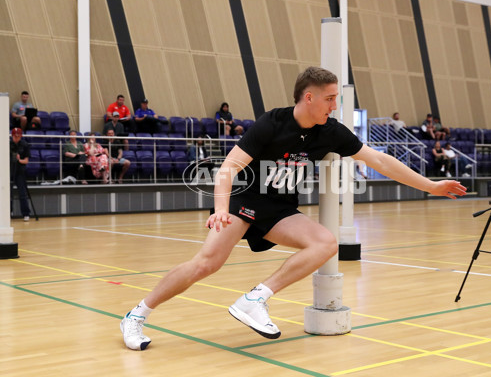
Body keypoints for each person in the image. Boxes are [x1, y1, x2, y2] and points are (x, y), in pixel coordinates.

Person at [119, 66, 466, 351]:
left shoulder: (331, 131)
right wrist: (220, 208)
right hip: (246, 201)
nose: (334, 105)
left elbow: (379, 160)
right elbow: (227, 169)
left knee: (325, 243)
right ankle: (136, 315)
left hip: (280, 208)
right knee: (206, 264)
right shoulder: (272, 123)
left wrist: (431, 185)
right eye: (330, 99)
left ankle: (254, 299)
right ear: (309, 97)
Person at [9, 128, 31, 221]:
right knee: (7, 193)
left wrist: (19, 160)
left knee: (22, 193)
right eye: (15, 136)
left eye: (18, 136)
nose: (17, 138)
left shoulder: (25, 145)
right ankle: (8, 212)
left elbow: (26, 161)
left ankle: (26, 213)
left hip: (20, 171)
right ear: (12, 136)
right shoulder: (7, 144)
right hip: (8, 171)